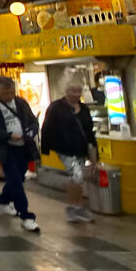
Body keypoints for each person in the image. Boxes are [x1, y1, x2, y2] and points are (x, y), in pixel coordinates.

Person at [0, 76, 41, 233]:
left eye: (11, 93)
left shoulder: (20, 103)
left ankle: (2, 200)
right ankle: (26, 216)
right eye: (6, 93)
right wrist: (8, 135)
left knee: (18, 177)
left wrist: (31, 131)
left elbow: (33, 121)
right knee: (15, 179)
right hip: (5, 148)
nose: (9, 96)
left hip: (23, 146)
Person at [41, 83, 97, 223]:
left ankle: (76, 207)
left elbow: (89, 131)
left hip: (80, 149)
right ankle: (74, 208)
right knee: (77, 175)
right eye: (73, 91)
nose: (76, 94)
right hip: (64, 149)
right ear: (66, 91)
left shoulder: (84, 109)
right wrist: (45, 150)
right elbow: (47, 128)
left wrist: (94, 153)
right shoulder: (56, 108)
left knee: (77, 178)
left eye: (79, 91)